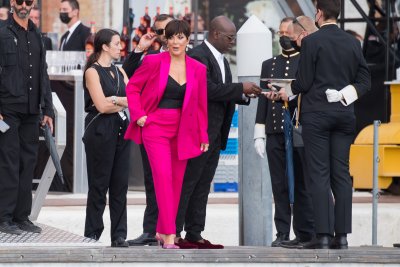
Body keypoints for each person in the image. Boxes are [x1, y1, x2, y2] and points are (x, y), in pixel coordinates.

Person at [279, 0, 371, 249]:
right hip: (344, 114)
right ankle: (341, 237)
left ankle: (323, 236)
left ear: (318, 14)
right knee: (341, 174)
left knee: (319, 174)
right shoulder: (352, 42)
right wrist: (344, 94)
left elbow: (304, 81)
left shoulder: (311, 42)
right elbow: (365, 80)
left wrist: (285, 91)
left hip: (317, 115)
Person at [174, 15, 262, 249]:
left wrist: (245, 94)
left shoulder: (222, 61)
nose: (233, 41)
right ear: (215, 34)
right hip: (198, 134)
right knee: (188, 183)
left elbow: (223, 93)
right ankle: (173, 232)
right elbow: (206, 90)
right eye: (230, 37)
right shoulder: (198, 56)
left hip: (214, 135)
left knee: (203, 185)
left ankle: (194, 232)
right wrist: (238, 88)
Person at [125, 19, 209, 249]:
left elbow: (201, 104)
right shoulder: (153, 62)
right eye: (171, 37)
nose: (175, 41)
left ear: (187, 39)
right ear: (166, 39)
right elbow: (132, 87)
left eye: (180, 37)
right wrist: (138, 114)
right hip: (155, 128)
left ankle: (162, 230)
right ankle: (170, 235)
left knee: (176, 183)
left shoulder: (198, 69)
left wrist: (203, 135)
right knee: (162, 178)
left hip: (183, 130)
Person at [254, 16, 317, 248]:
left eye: (287, 32)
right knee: (278, 184)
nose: (284, 36)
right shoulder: (268, 64)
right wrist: (259, 131)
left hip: (298, 131)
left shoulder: (306, 60)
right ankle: (282, 231)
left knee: (300, 183)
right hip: (275, 130)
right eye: (280, 32)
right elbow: (263, 99)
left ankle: (304, 231)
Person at [0, 0, 54, 235]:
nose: (24, 5)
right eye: (19, 1)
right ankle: (4, 217)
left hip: (32, 111)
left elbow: (43, 73)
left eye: (28, 1)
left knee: (28, 163)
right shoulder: (2, 33)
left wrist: (48, 110)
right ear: (12, 3)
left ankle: (22, 217)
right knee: (9, 164)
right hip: (8, 109)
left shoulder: (37, 36)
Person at [122, 14, 174, 247]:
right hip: (152, 127)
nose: (163, 37)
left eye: (166, 31)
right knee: (153, 180)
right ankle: (151, 231)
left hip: (178, 128)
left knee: (177, 181)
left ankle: (173, 230)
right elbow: (129, 77)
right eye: (159, 32)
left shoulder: (190, 58)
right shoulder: (152, 57)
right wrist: (139, 49)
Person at [82, 28, 130, 247]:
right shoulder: (92, 72)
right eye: (117, 43)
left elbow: (134, 99)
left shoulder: (120, 72)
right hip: (100, 131)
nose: (120, 47)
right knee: (99, 185)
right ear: (105, 46)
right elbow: (100, 105)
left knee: (120, 186)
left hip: (121, 130)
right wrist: (120, 101)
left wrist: (115, 99)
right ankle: (92, 233)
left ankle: (119, 235)